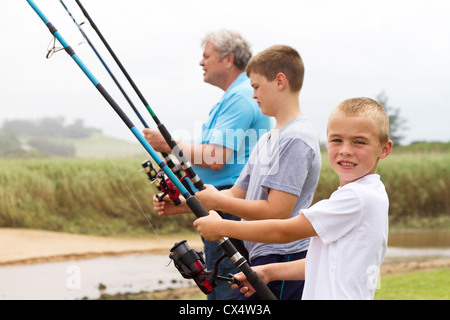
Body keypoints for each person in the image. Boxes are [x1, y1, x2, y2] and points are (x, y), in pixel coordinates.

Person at [194, 97, 393, 300]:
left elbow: (285, 230)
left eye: (359, 142)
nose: (345, 150)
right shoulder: (370, 192)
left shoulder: (357, 197)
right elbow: (322, 263)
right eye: (336, 140)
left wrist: (221, 227)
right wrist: (269, 272)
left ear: (384, 149)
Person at [145, 29, 273, 300]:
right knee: (220, 287)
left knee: (228, 291)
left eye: (206, 56)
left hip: (230, 208)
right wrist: (183, 201)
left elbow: (216, 158)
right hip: (222, 204)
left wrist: (168, 145)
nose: (201, 62)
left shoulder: (240, 97)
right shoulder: (231, 98)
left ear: (228, 59)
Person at [191, 45, 322, 300]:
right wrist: (192, 201)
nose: (253, 95)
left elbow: (277, 211)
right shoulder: (268, 138)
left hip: (284, 257)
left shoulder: (296, 139)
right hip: (260, 255)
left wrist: (218, 210)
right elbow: (238, 194)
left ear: (280, 81)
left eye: (256, 87)